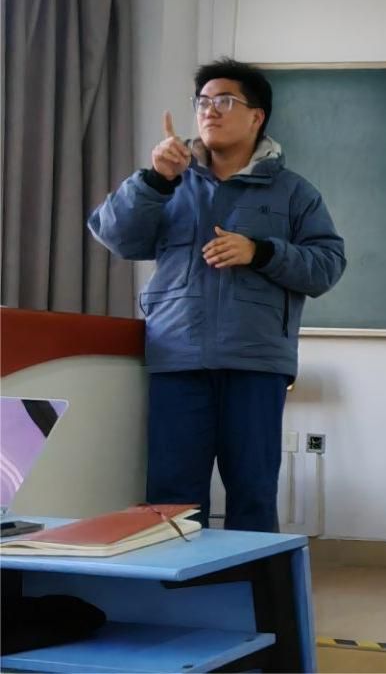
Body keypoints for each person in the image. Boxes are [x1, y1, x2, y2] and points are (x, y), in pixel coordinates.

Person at [88, 58, 345, 531]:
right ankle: (178, 582)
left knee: (253, 492)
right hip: (178, 357)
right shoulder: (168, 181)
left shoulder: (294, 193)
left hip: (256, 362)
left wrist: (260, 251)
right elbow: (116, 237)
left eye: (225, 101)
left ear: (256, 116)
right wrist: (154, 180)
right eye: (203, 102)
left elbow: (327, 266)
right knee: (172, 498)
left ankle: (249, 580)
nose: (210, 110)